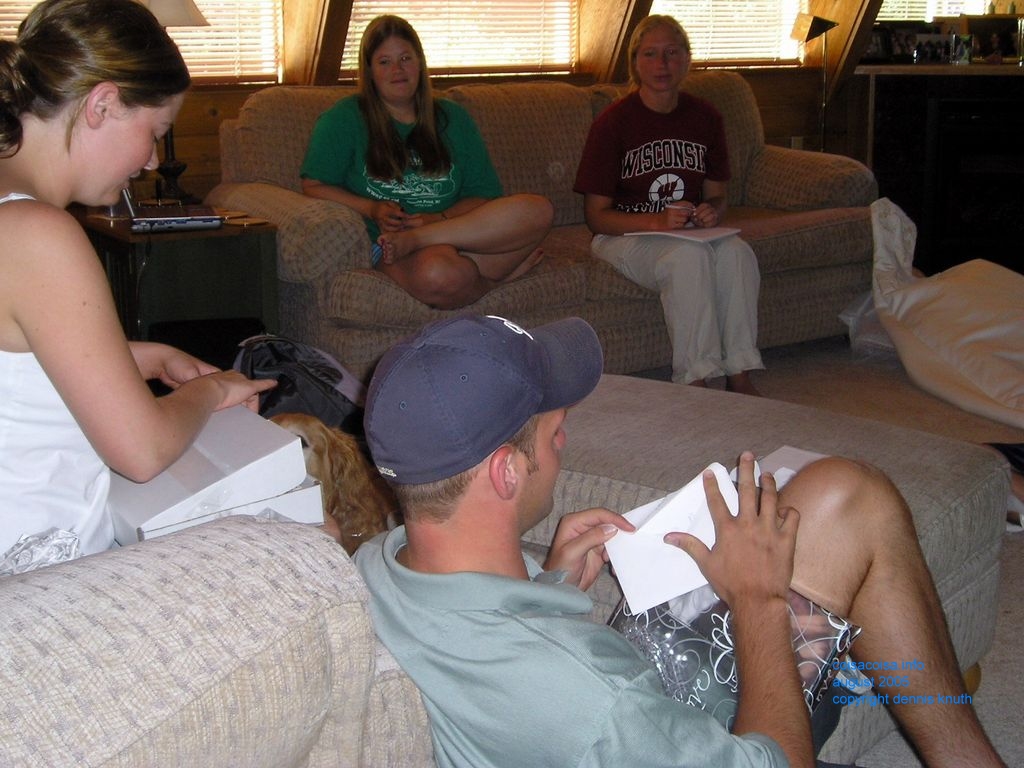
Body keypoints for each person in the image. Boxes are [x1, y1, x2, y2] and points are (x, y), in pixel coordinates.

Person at [354, 313, 1006, 768]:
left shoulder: (373, 567)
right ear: (505, 471)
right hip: (658, 733)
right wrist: (758, 604)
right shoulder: (588, 697)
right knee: (861, 511)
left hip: (613, 718)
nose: (564, 440)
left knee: (838, 491)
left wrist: (547, 585)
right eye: (554, 432)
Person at [0, 0, 276, 560]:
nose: (152, 160)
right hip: (43, 577)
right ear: (103, 103)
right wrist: (213, 388)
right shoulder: (39, 234)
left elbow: (21, 366)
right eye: (156, 131)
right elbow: (141, 450)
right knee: (310, 546)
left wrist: (144, 357)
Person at [301, 15, 553, 310]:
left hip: (460, 237)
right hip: (392, 248)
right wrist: (371, 208)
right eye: (384, 62)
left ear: (419, 63)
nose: (398, 69)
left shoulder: (452, 118)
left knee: (539, 210)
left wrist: (438, 220)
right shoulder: (344, 119)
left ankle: (423, 240)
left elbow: (483, 196)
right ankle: (494, 282)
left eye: (406, 58)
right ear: (369, 72)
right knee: (439, 274)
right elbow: (314, 185)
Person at [574, 15, 763, 395]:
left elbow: (717, 193)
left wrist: (713, 210)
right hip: (622, 235)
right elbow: (595, 217)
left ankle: (740, 372)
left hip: (688, 233)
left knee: (737, 254)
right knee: (687, 261)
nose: (662, 65)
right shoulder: (614, 123)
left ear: (687, 60)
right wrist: (656, 222)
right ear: (636, 63)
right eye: (651, 54)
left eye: (672, 53)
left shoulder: (705, 117)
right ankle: (696, 380)